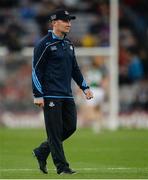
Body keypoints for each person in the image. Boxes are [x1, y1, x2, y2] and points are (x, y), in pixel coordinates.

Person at [32, 9, 93, 175]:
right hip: (50, 95)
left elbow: (75, 68)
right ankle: (62, 167)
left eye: (70, 21)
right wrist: (38, 94)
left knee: (70, 127)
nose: (69, 24)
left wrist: (85, 87)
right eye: (65, 21)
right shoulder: (44, 44)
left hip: (67, 94)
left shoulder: (68, 44)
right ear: (54, 23)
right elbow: (36, 70)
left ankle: (42, 151)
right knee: (54, 131)